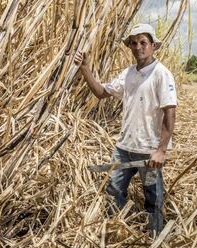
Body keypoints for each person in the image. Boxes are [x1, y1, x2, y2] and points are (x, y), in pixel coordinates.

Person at [74, 23, 177, 235]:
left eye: (143, 42)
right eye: (134, 43)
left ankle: (154, 238)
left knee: (153, 196)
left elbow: (169, 113)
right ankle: (117, 232)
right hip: (124, 148)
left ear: (153, 46)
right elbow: (102, 93)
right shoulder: (128, 73)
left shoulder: (161, 74)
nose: (138, 47)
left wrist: (161, 150)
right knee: (113, 189)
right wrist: (85, 68)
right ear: (129, 46)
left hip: (149, 150)